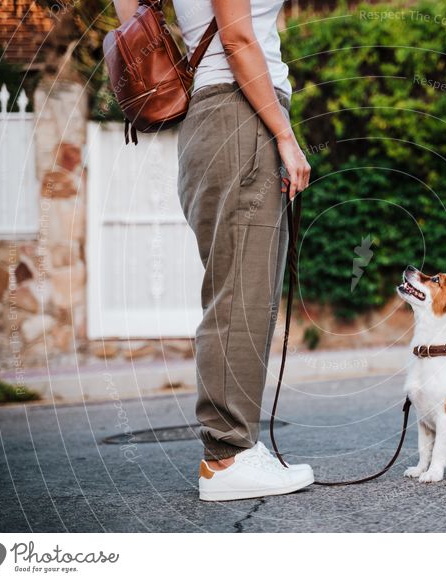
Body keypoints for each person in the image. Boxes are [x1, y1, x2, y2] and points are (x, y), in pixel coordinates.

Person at [113, 0, 313, 501]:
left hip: (216, 118)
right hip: (239, 114)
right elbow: (238, 39)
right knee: (243, 291)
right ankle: (226, 457)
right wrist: (285, 137)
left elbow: (127, 12)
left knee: (242, 286)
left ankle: (234, 448)